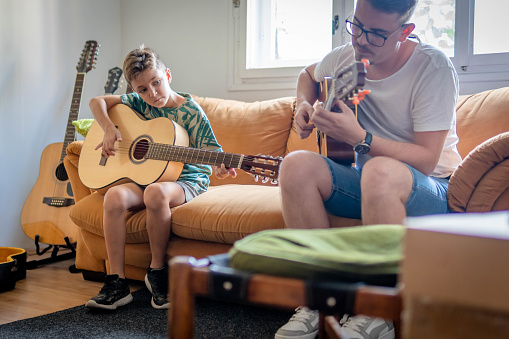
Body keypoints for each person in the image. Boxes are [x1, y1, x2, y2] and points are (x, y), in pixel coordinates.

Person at [276, 0, 461, 338]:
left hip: (431, 187)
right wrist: (303, 104)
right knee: (294, 165)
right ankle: (322, 299)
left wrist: (361, 138)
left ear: (405, 32)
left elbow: (427, 159)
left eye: (376, 34)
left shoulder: (433, 67)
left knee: (380, 170)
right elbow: (308, 74)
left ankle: (378, 311)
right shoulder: (348, 57)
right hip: (368, 182)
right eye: (357, 26)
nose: (360, 40)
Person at [85, 45, 236, 311]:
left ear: (167, 75)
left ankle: (157, 272)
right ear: (135, 90)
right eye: (142, 89)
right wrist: (108, 128)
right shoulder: (137, 103)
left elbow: (212, 151)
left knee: (155, 192)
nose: (152, 93)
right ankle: (117, 282)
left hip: (186, 179)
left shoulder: (190, 111)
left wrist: (222, 165)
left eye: (156, 83)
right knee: (114, 196)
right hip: (146, 176)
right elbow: (96, 102)